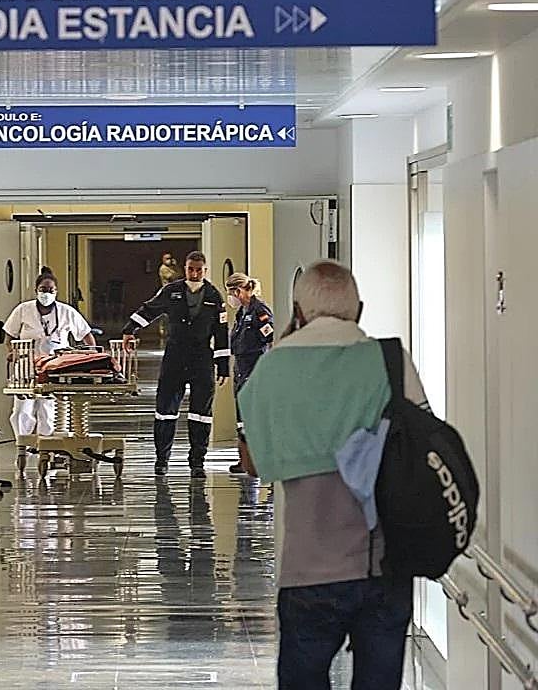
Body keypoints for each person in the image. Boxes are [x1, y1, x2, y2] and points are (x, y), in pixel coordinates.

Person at [238, 261, 430, 690]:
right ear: (359, 309)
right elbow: (423, 442)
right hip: (386, 566)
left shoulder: (271, 370)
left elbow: (255, 464)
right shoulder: (391, 361)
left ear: (298, 312)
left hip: (309, 569)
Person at [122, 251, 229, 479]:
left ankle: (197, 462)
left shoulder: (214, 296)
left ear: (205, 270)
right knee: (165, 411)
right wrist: (129, 330)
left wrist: (223, 365)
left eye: (199, 269)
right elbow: (149, 309)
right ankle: (162, 461)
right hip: (175, 357)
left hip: (202, 359)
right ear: (186, 268)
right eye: (191, 269)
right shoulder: (171, 291)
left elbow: (221, 333)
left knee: (201, 414)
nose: (195, 273)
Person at [3, 267, 96, 472]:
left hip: (55, 365)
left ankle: (48, 449)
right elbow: (8, 335)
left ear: (56, 291)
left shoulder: (66, 311)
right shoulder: (23, 310)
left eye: (51, 290)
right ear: (37, 290)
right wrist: (11, 351)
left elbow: (86, 334)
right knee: (22, 410)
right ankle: (24, 446)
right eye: (43, 289)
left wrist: (90, 356)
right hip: (26, 364)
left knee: (48, 408)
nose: (47, 293)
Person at [224, 272, 274, 475]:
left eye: (231, 292)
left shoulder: (259, 311)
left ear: (239, 290)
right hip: (241, 368)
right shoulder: (241, 313)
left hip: (255, 368)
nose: (231, 297)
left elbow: (270, 337)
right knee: (243, 418)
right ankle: (244, 458)